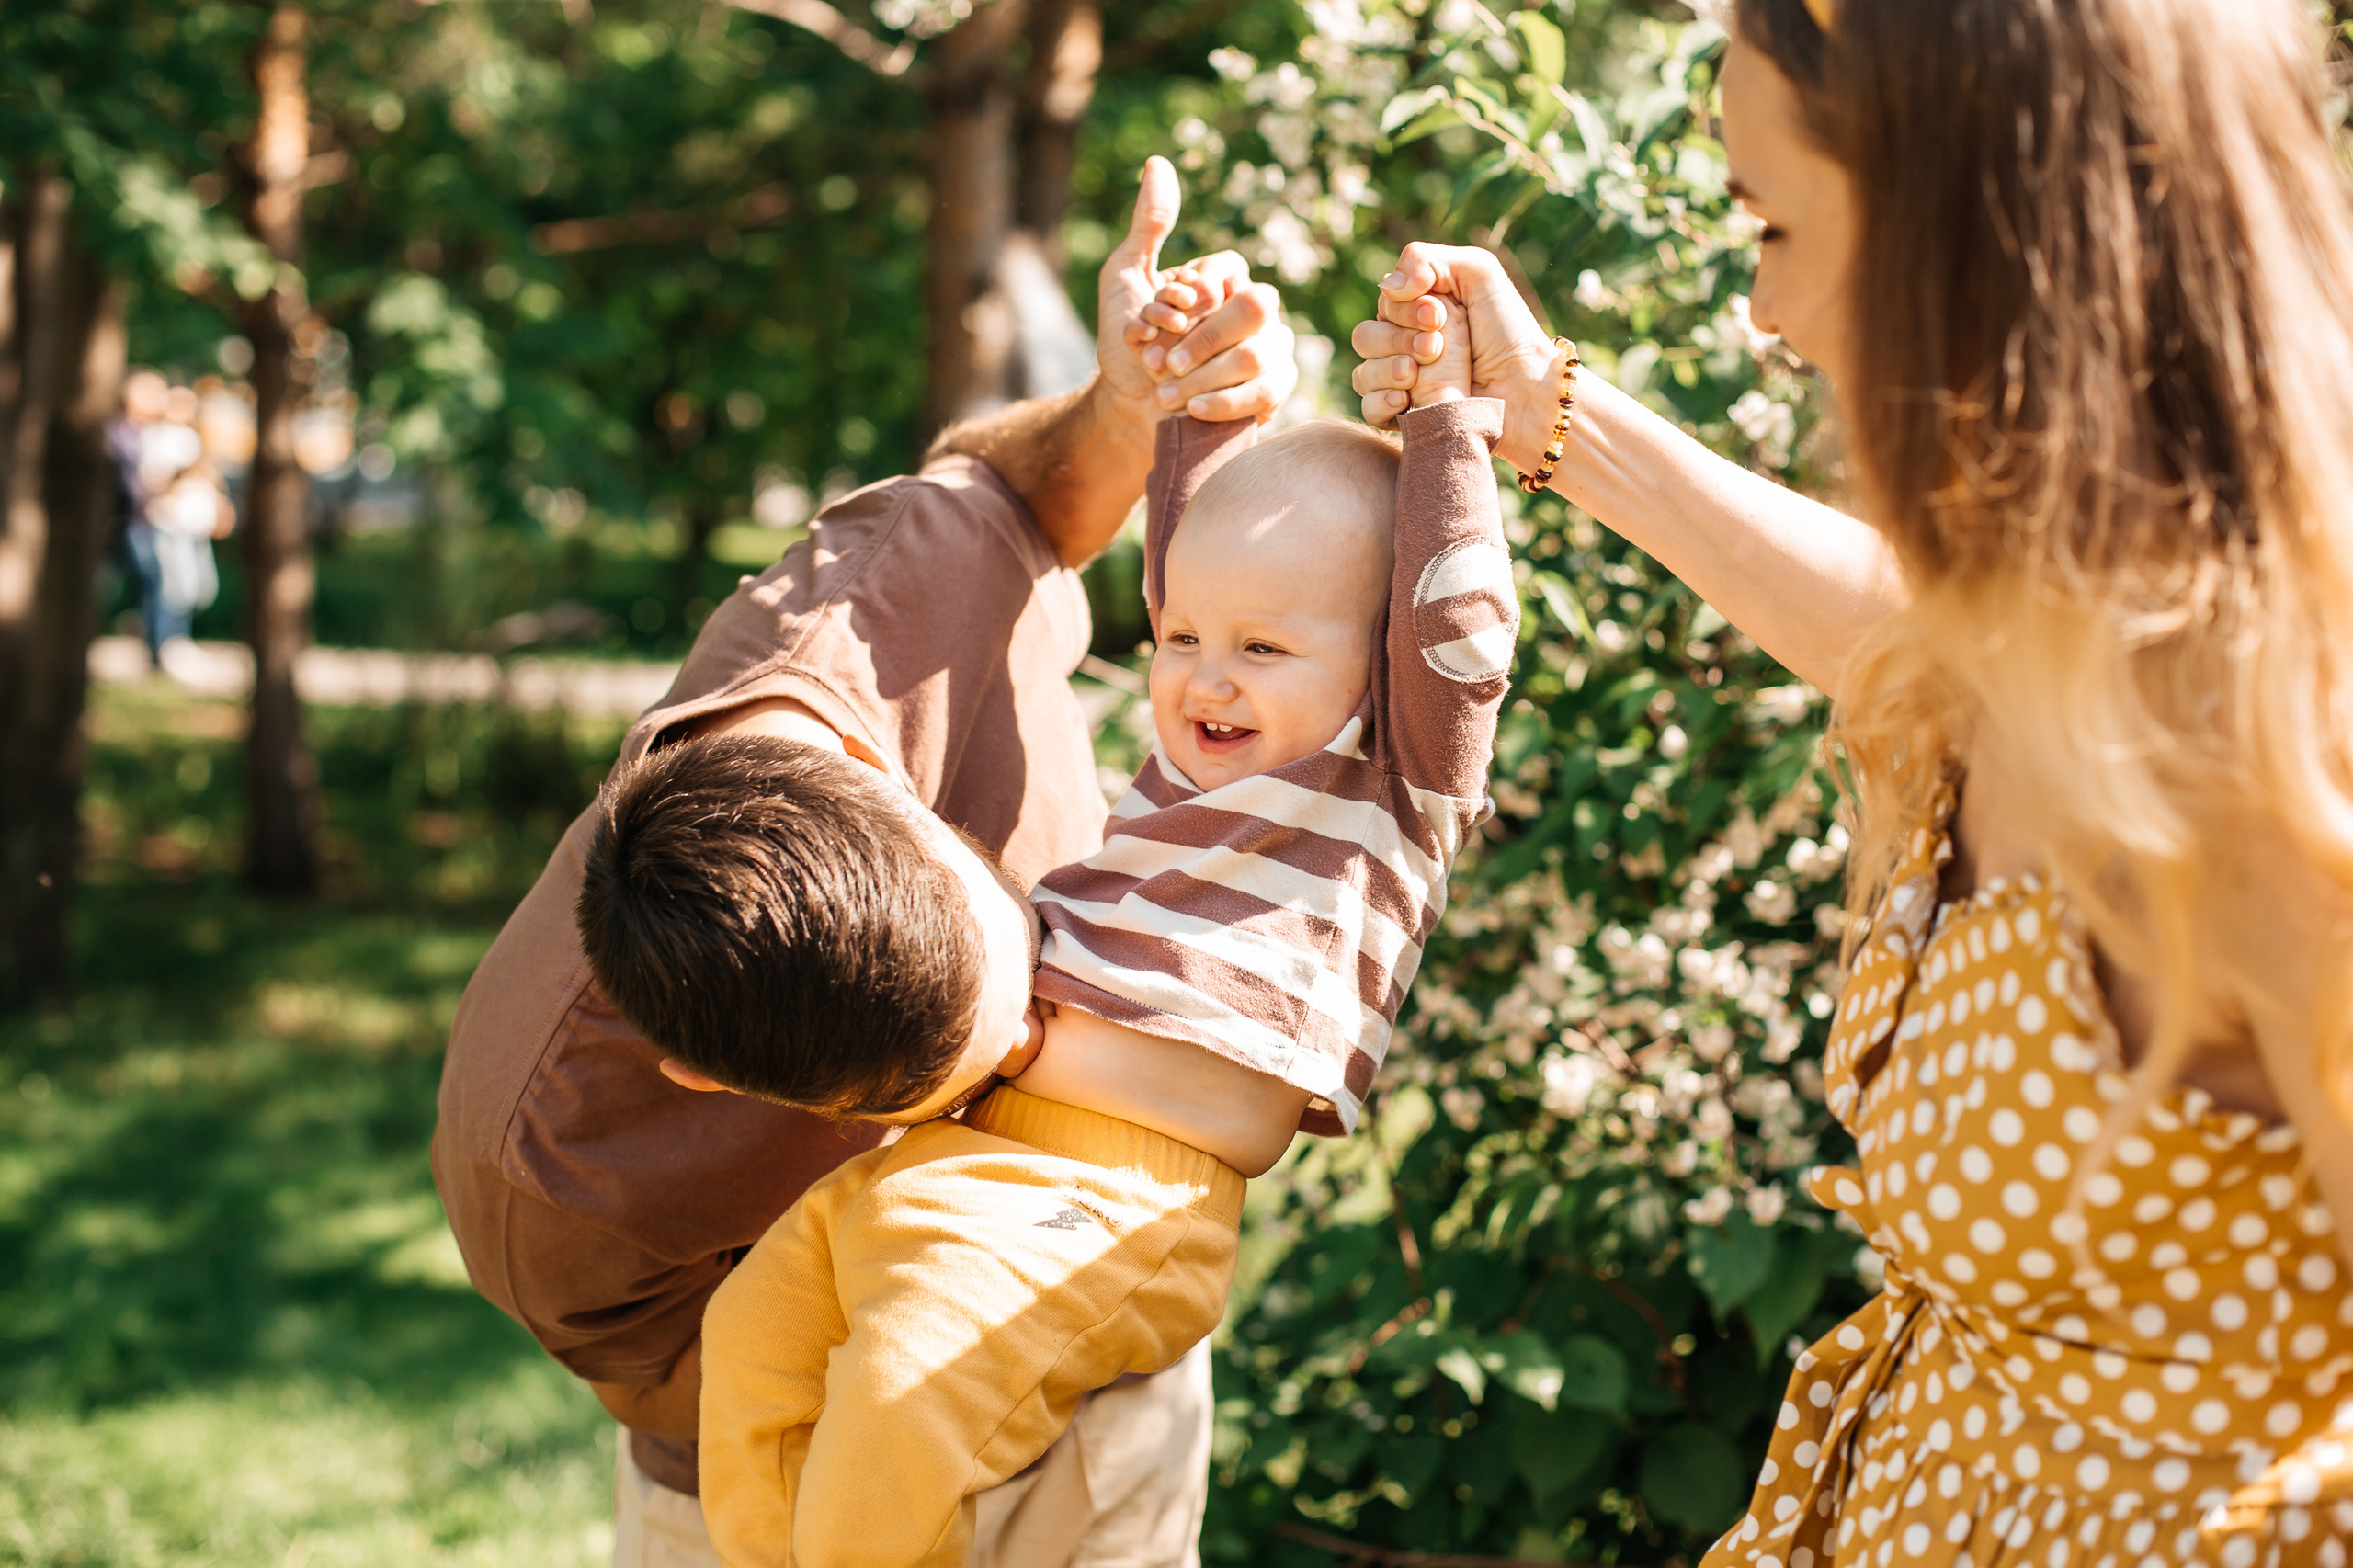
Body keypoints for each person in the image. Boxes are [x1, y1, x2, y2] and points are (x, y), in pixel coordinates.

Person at [1354, 0, 2353, 1562]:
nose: (1763, 315)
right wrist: (1544, 407)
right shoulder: (2042, 654)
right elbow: (1898, 638)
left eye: (1773, 227)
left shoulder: (2270, 751)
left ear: (1981, 241)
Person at [431, 155, 1298, 1568]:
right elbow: (737, 1426)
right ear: (718, 1084)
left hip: (1102, 1328)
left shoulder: (884, 613)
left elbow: (1006, 496)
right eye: (967, 1073)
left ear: (898, 786)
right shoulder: (553, 1186)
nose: (1042, 1035)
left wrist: (1129, 407)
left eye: (1011, 965)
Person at [577, 293, 1508, 1564]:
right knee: (753, 1335)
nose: (1203, 674)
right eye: (1181, 636)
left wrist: (1449, 428)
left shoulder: (1385, 787)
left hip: (1114, 1195)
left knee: (908, 1384)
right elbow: (1191, 542)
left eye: (1262, 645)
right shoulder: (1189, 772)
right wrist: (1198, 398)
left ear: (1382, 663)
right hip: (958, 1154)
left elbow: (1458, 620)